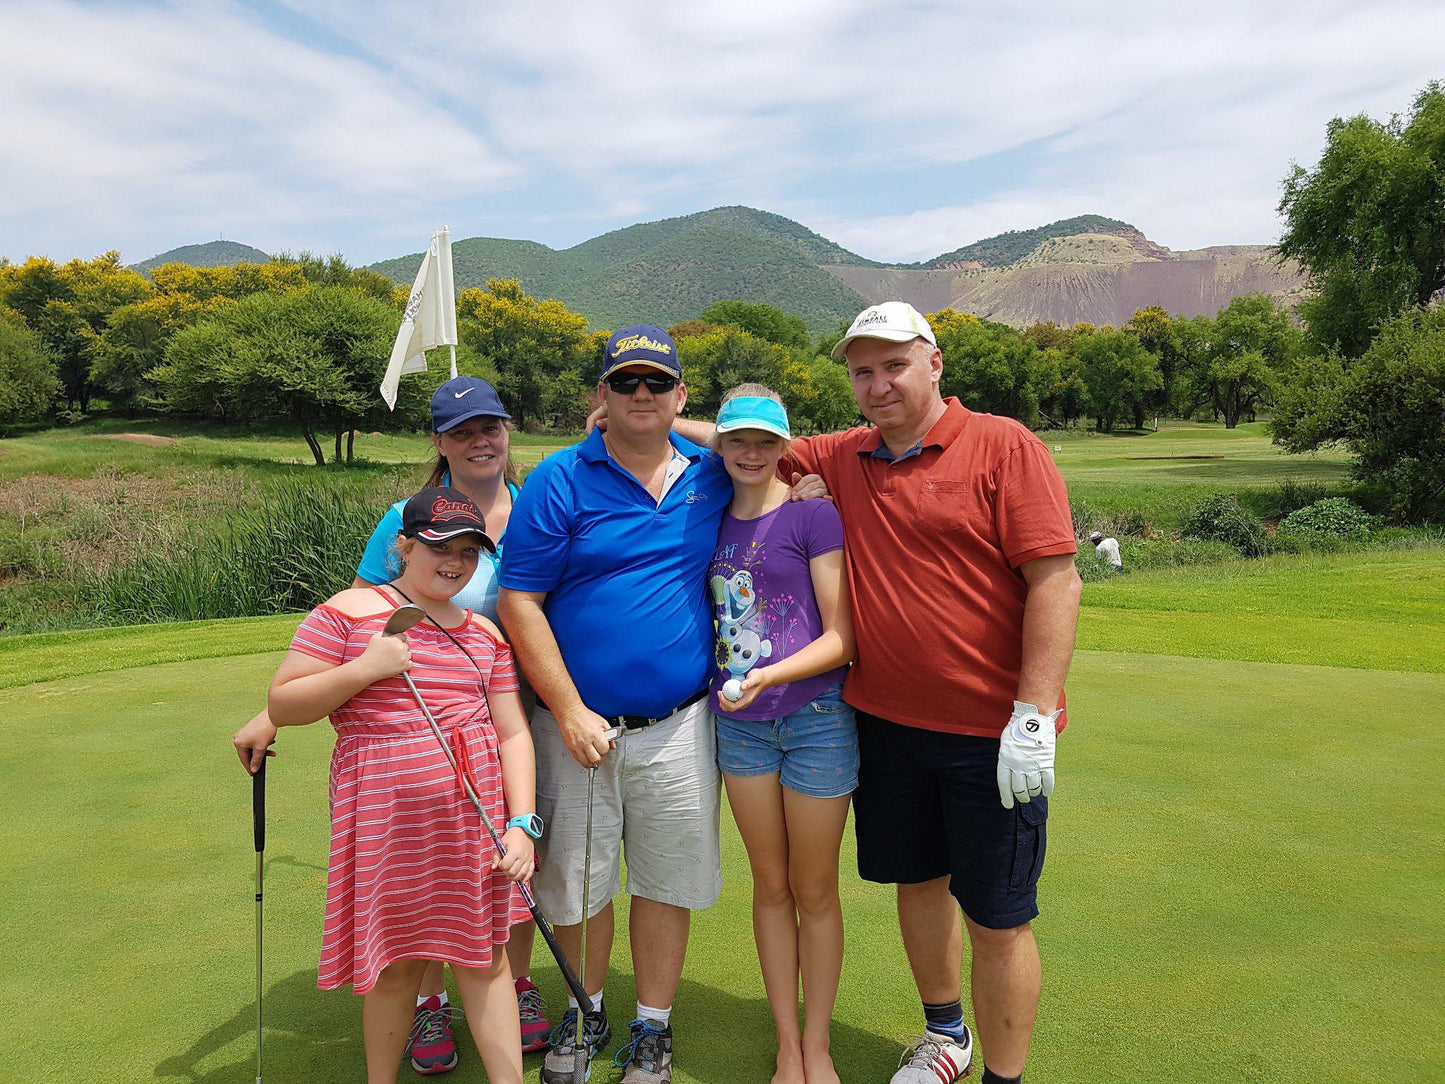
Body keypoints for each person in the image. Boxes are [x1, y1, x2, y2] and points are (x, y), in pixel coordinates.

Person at [667, 302, 1081, 1084]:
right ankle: (946, 1036)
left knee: (996, 916)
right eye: (862, 370)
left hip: (988, 730)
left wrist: (1032, 713)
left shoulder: (1002, 445)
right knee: (916, 887)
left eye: (893, 364)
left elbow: (1056, 581)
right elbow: (748, 445)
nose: (878, 382)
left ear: (933, 363)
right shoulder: (847, 454)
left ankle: (1004, 1076)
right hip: (884, 722)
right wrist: (645, 418)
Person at [233, 375, 549, 1073]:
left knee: (486, 948)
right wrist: (352, 675)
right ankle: (423, 1019)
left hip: (477, 793)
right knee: (401, 960)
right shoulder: (353, 610)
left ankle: (511, 1008)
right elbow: (300, 685)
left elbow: (511, 731)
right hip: (384, 808)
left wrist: (521, 820)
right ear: (404, 545)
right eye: (441, 548)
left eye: (468, 553)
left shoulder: (530, 522)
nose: (457, 563)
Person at [496, 325, 736, 1084]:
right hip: (579, 728)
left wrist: (689, 429)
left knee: (665, 884)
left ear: (681, 395)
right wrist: (565, 708)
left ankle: (652, 1027)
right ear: (601, 395)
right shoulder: (560, 478)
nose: (641, 396)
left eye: (656, 384)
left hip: (678, 724)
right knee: (576, 887)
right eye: (624, 384)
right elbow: (520, 600)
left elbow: (793, 451)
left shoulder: (716, 469)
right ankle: (585, 1008)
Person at [706, 385, 857, 1084]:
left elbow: (841, 638)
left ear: (783, 448)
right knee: (769, 887)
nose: (749, 453)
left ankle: (818, 1043)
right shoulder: (704, 514)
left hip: (814, 721)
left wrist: (772, 677)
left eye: (764, 442)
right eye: (736, 439)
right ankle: (787, 1045)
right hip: (740, 731)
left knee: (813, 887)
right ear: (720, 443)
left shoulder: (813, 515)